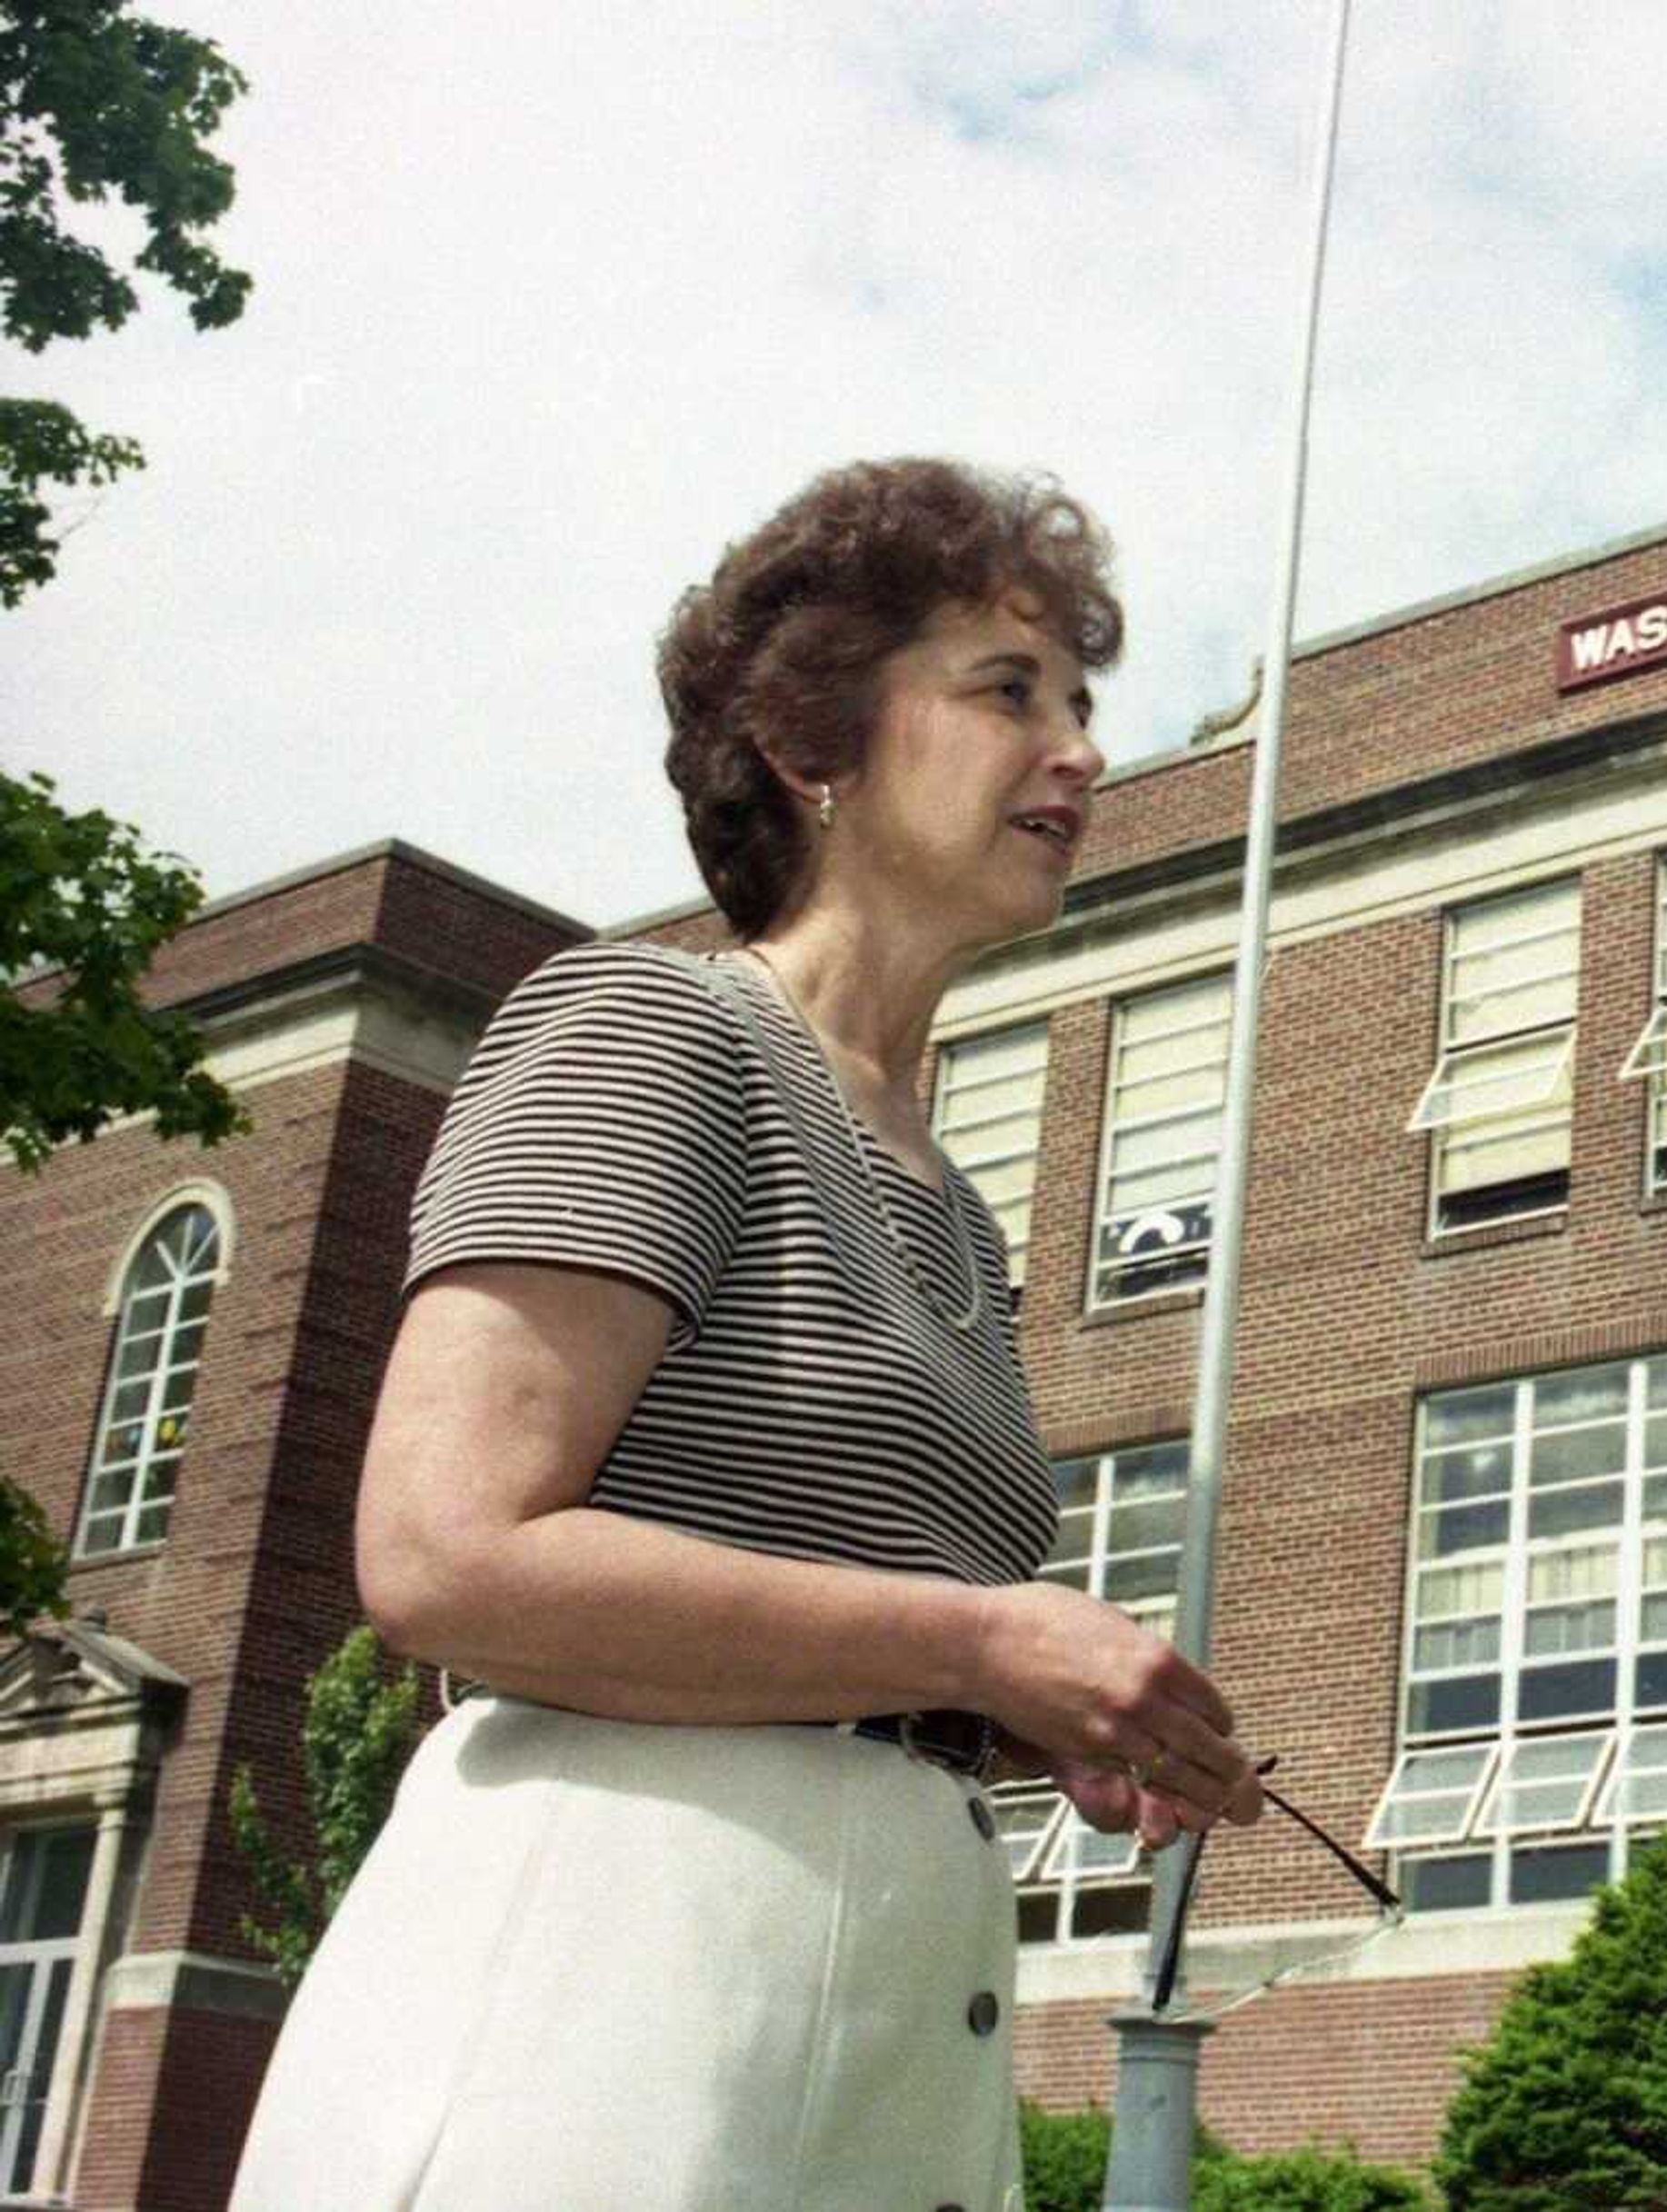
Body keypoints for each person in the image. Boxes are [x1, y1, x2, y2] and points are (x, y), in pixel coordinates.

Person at [233, 460, 1263, 2210]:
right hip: (608, 2018)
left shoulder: (954, 1204)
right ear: (813, 744)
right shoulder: (649, 1030)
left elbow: (825, 1599)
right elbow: (446, 1553)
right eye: (1008, 692)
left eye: (1083, 704)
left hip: (891, 2048)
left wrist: (1025, 1714)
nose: (1080, 750)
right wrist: (983, 1640)